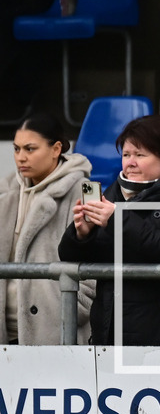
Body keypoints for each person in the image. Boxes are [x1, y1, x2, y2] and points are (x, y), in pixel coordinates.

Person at [58, 114, 160, 346]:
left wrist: (120, 221)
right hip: (108, 336)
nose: (131, 163)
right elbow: (69, 257)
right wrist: (81, 235)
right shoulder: (111, 196)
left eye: (140, 155)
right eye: (126, 155)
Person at [0, 112, 93, 344]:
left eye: (30, 149)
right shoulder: (5, 191)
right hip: (6, 334)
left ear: (56, 149)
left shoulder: (85, 190)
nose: (21, 157)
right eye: (16, 149)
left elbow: (96, 261)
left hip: (54, 333)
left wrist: (73, 308)